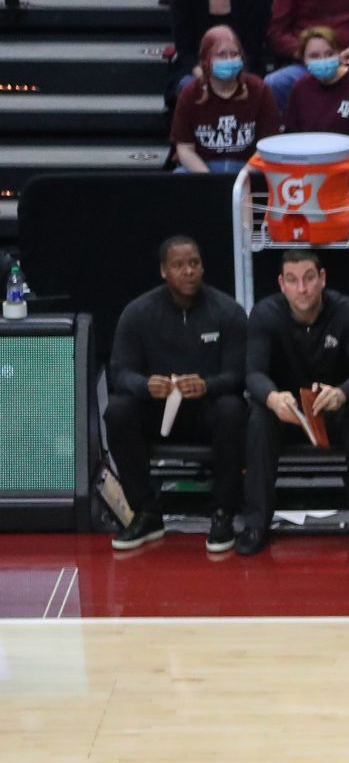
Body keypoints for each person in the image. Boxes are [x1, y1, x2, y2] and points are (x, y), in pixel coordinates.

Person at [101, 236, 249, 554]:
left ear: (202, 267)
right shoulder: (138, 313)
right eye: (178, 265)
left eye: (194, 263)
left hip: (206, 411)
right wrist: (145, 385)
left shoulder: (228, 311)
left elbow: (239, 375)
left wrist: (207, 385)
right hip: (157, 412)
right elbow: (120, 372)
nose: (188, 271)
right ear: (163, 271)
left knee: (232, 408)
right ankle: (146, 512)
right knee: (118, 411)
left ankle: (223, 513)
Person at [241, 249, 349, 558]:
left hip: (333, 410)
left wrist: (343, 392)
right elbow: (253, 372)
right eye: (292, 281)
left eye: (309, 279)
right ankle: (255, 525)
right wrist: (272, 397)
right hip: (287, 413)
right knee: (258, 417)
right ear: (281, 284)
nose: (302, 289)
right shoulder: (265, 314)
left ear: (322, 279)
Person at [171, 25, 281, 174]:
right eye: (221, 55)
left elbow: (268, 146)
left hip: (248, 167)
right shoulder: (190, 93)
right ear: (206, 59)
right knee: (179, 175)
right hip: (204, 166)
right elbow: (185, 149)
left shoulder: (259, 89)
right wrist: (209, 181)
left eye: (234, 54)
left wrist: (243, 178)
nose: (229, 60)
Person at [171, 0, 279, 91]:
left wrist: (235, 75)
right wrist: (201, 72)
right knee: (191, 88)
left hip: (243, 68)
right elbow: (184, 48)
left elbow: (254, 49)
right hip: (196, 68)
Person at [281, 25, 349, 162]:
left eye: (329, 54)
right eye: (314, 56)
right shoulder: (300, 89)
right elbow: (292, 139)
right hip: (310, 167)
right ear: (303, 60)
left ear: (340, 53)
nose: (323, 61)